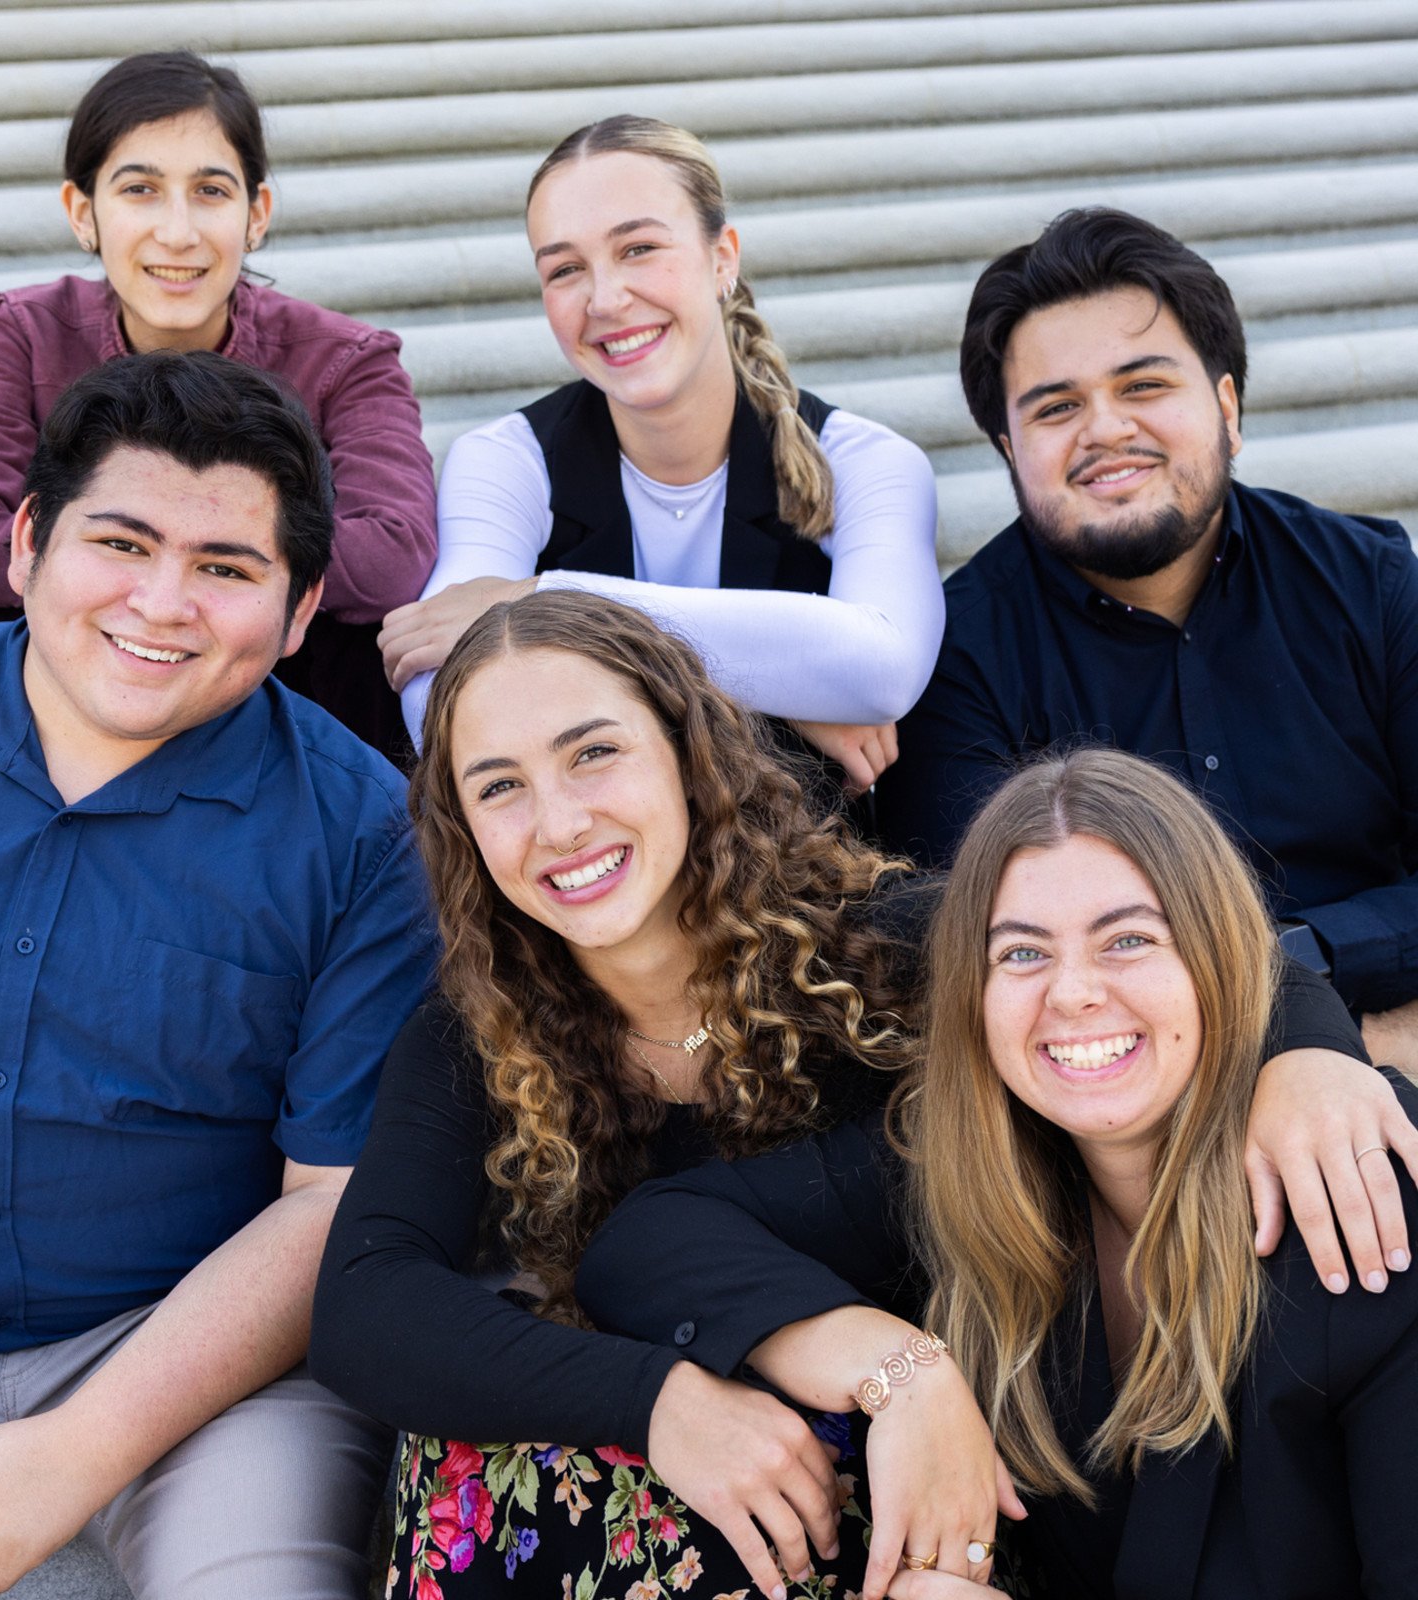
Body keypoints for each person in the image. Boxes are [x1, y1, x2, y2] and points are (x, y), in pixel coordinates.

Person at [312, 591, 1401, 1600]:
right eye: (497, 785)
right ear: (458, 828)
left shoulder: (880, 941)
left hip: (955, 1466)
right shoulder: (477, 1030)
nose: (556, 823)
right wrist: (660, 1399)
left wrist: (1307, 1058)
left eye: (592, 753)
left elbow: (1186, 959)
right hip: (694, 1432)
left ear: (688, 758)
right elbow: (367, 1307)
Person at [0, 351, 434, 1599]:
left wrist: (80, 1446)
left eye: (225, 569)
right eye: (121, 543)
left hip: (197, 1366)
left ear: (303, 610)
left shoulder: (369, 830)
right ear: (29, 541)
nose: (162, 603)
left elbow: (330, 1201)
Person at [579, 748, 1418, 1598]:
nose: (1075, 993)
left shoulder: (1364, 1193)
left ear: (1220, 957)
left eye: (1129, 939)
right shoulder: (970, 1170)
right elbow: (648, 1241)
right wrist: (901, 1369)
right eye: (1021, 954)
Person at [875, 206, 1418, 1075]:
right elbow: (990, 955)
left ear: (1227, 406)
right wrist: (1356, 1034)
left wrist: (1303, 967)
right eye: (1058, 407)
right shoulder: (953, 660)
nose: (1105, 430)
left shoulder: (1374, 585)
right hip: (1119, 1094)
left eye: (1144, 386)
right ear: (1008, 449)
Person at [378, 116, 942, 809]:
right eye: (564, 269)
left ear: (723, 257)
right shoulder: (505, 459)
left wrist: (539, 600)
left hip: (802, 880)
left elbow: (881, 667)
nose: (606, 300)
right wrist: (777, 688)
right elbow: (437, 695)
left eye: (639, 248)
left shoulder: (865, 460)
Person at [0, 49, 436, 758]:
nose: (178, 233)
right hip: (76, 687)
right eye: (139, 190)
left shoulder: (344, 359)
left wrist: (129, 554)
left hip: (282, 694)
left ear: (256, 213)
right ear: (83, 211)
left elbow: (393, 557)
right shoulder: (27, 334)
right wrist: (228, 567)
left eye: (211, 192)